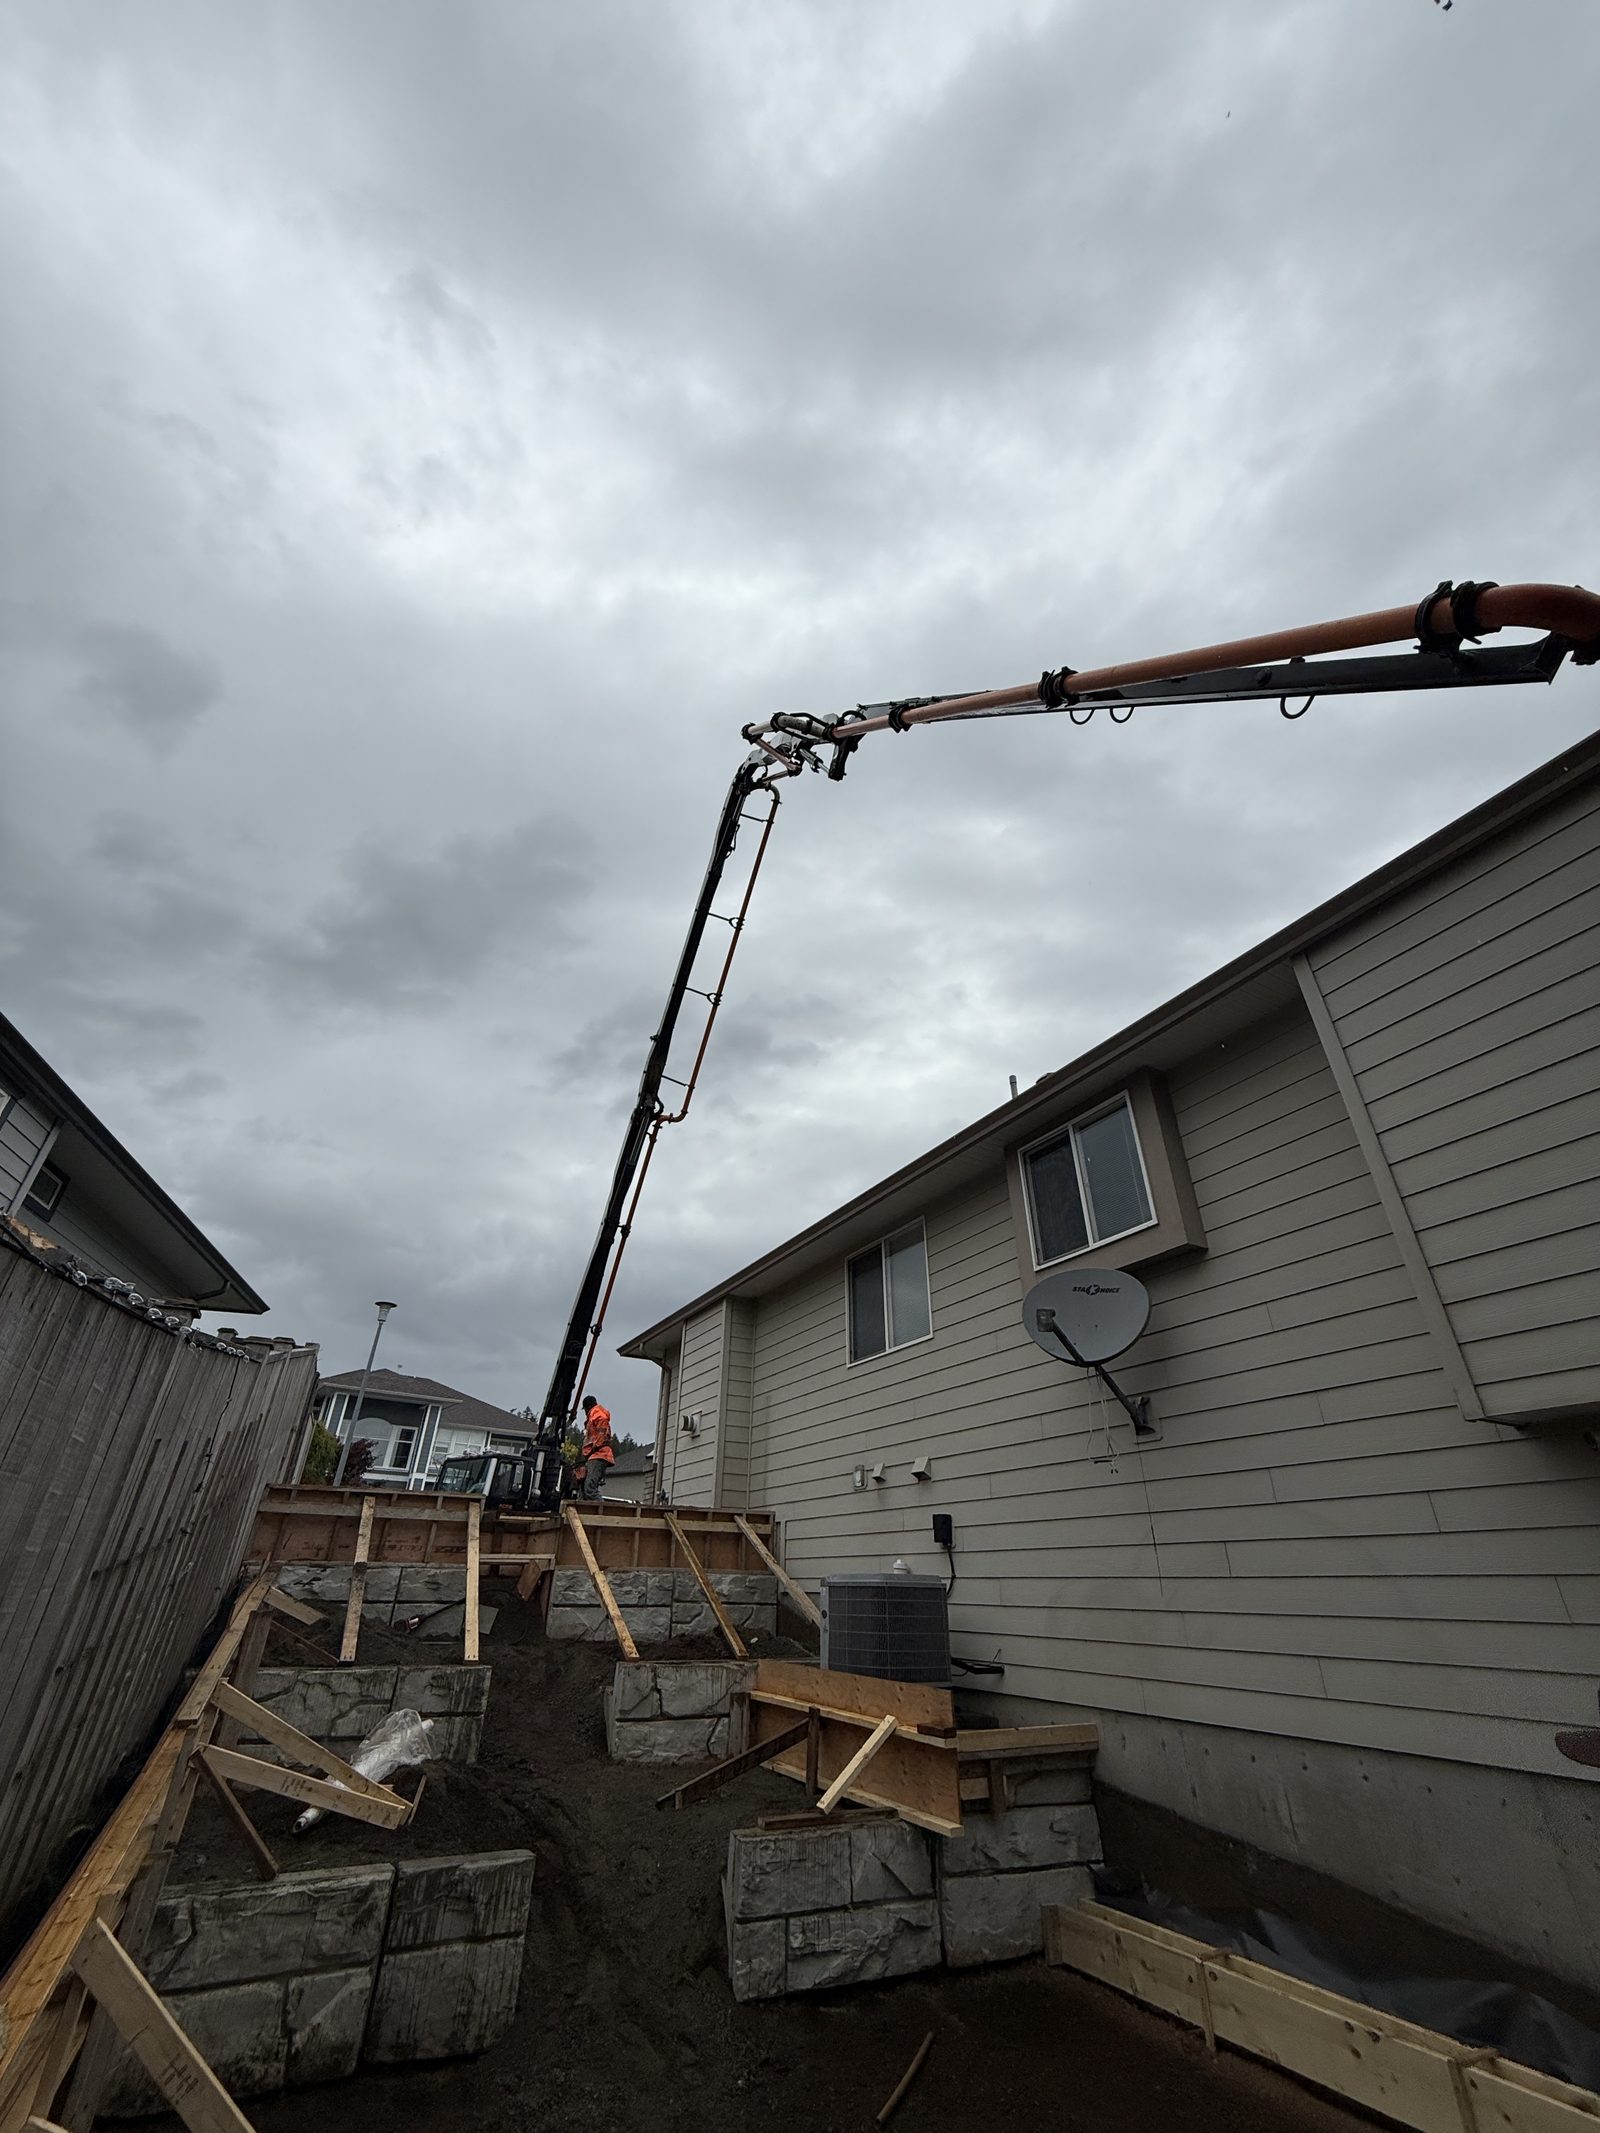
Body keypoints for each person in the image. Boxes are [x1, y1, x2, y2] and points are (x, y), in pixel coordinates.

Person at [577, 1394, 615, 1501]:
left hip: (599, 1454)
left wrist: (595, 1447)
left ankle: (602, 1509)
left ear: (587, 1407)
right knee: (584, 1490)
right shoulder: (594, 1415)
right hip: (595, 1455)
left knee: (590, 1489)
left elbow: (601, 1432)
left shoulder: (597, 1414)